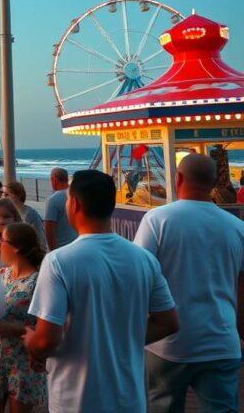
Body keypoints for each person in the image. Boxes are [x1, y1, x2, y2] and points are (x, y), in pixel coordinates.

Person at [23, 169, 179, 413]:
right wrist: (123, 337)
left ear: (74, 204)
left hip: (75, 400)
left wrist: (32, 342)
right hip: (130, 399)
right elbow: (168, 322)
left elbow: (47, 339)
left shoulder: (59, 262)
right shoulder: (143, 259)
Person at [134, 153, 244, 413]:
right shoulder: (237, 228)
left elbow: (140, 276)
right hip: (222, 341)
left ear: (178, 178)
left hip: (169, 344)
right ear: (214, 182)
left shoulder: (158, 220)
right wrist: (239, 332)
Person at [0, 222, 47, 413]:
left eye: (2, 240)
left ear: (16, 247)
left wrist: (13, 329)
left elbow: (51, 328)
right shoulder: (0, 275)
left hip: (23, 361)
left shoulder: (39, 281)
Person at [4, 182, 47, 251]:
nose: (4, 197)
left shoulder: (29, 213)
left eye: (6, 194)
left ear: (18, 195)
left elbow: (40, 237)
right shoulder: (11, 213)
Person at [43, 168, 78, 250]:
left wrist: (52, 251)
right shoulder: (77, 196)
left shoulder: (53, 200)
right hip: (76, 246)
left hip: (60, 248)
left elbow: (49, 228)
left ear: (54, 180)